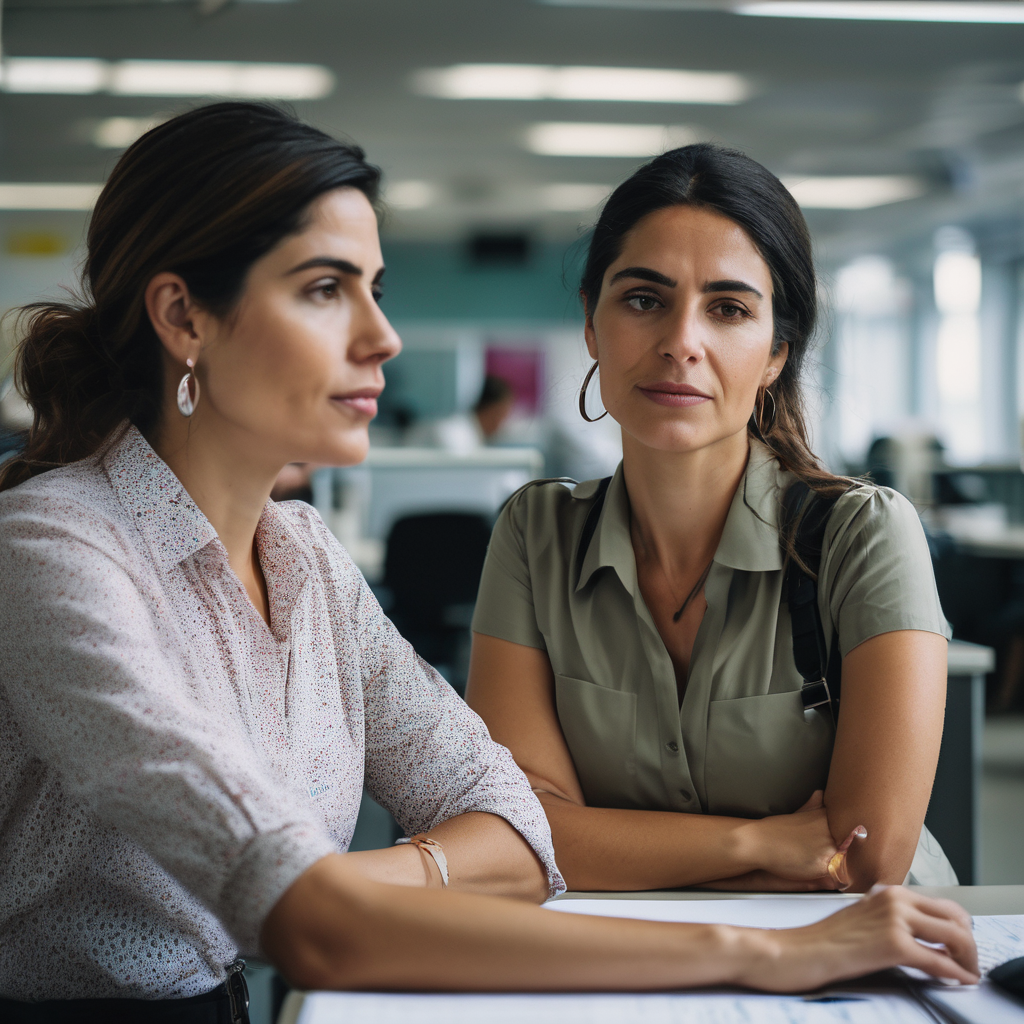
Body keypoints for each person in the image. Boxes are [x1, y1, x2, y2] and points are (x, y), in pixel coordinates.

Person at [0, 105, 976, 1019]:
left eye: (373, 291)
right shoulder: (56, 552)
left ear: (779, 348)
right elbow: (321, 920)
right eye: (325, 289)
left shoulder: (303, 557)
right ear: (184, 318)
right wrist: (763, 943)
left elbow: (511, 822)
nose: (382, 337)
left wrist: (358, 882)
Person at [467, 143, 957, 895]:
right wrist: (757, 842)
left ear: (775, 355)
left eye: (728, 309)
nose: (680, 343)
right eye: (643, 299)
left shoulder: (863, 536)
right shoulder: (536, 537)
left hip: (848, 973)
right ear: (592, 329)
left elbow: (863, 861)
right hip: (628, 966)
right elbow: (517, 831)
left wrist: (606, 849)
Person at [406, 373, 515, 453]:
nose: (504, 423)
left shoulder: (468, 433)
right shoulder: (454, 435)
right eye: (503, 415)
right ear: (492, 410)